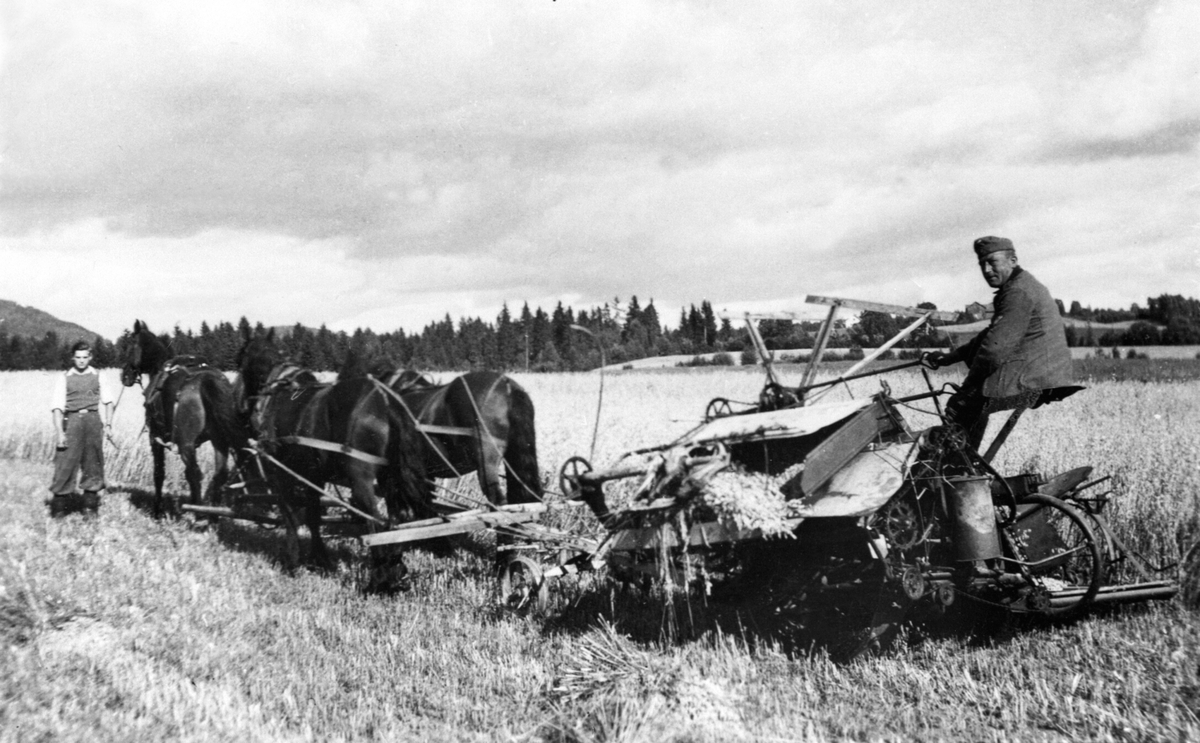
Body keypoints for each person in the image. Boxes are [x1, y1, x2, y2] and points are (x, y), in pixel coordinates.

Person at [922, 236, 1078, 451]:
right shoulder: (1019, 286)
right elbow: (990, 335)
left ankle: (960, 472)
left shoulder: (1017, 292)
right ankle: (966, 467)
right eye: (982, 264)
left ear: (1012, 260)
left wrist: (967, 388)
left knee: (961, 407)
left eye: (992, 262)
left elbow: (994, 350)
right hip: (1043, 375)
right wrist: (949, 358)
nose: (986, 270)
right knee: (974, 406)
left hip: (1034, 377)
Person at [49, 340, 115, 516]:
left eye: (85, 357)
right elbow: (57, 408)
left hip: (93, 421)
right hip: (72, 421)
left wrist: (108, 425)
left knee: (93, 462)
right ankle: (59, 508)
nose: (81, 361)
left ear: (90, 357)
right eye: (78, 357)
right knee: (65, 462)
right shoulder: (64, 377)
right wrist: (60, 433)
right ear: (73, 357)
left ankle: (89, 506)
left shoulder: (99, 375)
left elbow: (108, 402)